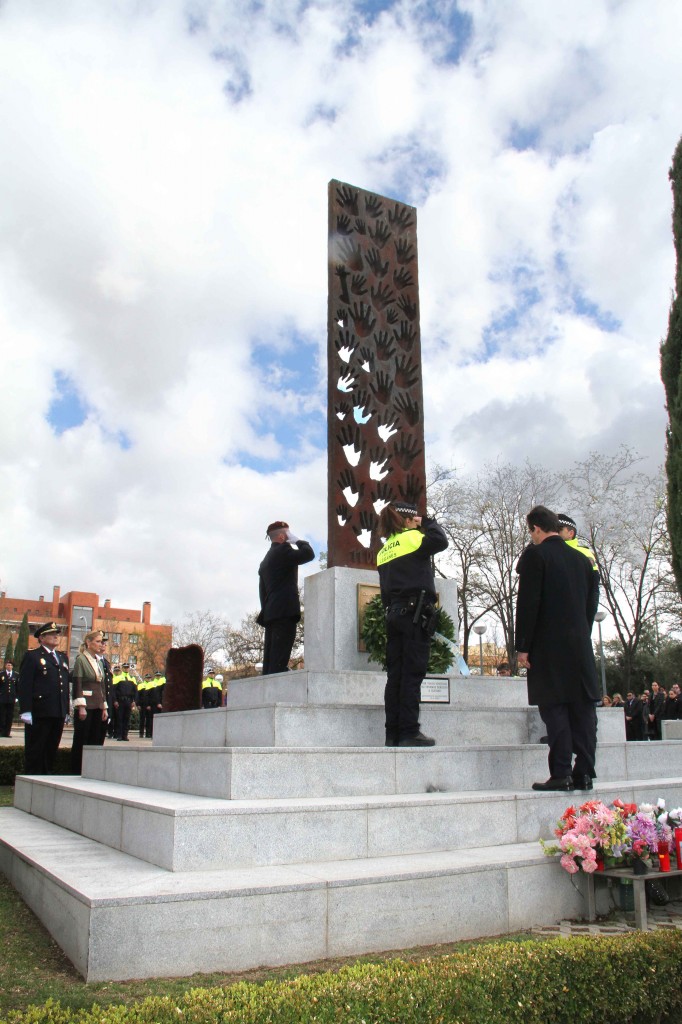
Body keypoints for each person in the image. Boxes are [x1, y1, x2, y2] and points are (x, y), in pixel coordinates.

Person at [515, 505, 600, 792]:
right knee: (583, 709)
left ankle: (561, 772)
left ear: (536, 529)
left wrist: (523, 647)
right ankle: (585, 772)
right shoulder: (582, 560)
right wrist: (580, 634)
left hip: (548, 647)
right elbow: (590, 605)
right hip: (580, 646)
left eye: (531, 532)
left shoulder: (535, 556)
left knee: (555, 709)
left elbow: (528, 605)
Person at [376, 499, 448, 747]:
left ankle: (392, 733)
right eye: (414, 519)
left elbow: (385, 592)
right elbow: (441, 540)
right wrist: (427, 522)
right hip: (414, 614)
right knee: (412, 674)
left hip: (394, 614)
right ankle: (409, 731)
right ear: (408, 519)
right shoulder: (413, 539)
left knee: (395, 675)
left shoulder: (384, 550)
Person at [258, 520, 314, 675]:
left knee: (270, 660)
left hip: (271, 613)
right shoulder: (283, 551)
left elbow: (262, 592)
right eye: (288, 533)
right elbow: (309, 554)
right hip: (285, 612)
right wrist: (297, 541)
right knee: (279, 660)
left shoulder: (265, 560)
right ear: (282, 536)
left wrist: (268, 610)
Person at [17, 621, 70, 774]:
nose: (55, 637)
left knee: (51, 750)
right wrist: (25, 710)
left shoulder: (62, 657)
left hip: (57, 711)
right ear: (41, 637)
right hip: (40, 711)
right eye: (51, 634)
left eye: (56, 634)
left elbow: (64, 685)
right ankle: (32, 780)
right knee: (36, 750)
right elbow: (25, 685)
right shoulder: (33, 656)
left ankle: (46, 779)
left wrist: (65, 709)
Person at [70, 629, 108, 774]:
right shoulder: (81, 659)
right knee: (82, 740)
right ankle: (76, 771)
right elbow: (78, 683)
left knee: (95, 740)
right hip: (86, 706)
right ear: (88, 643)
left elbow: (102, 686)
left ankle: (91, 771)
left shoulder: (98, 661)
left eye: (101, 642)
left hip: (98, 705)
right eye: (98, 641)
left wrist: (104, 707)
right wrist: (81, 706)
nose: (100, 644)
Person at [113, 662, 137, 741]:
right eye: (125, 667)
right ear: (122, 668)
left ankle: (125, 735)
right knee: (119, 718)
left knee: (127, 718)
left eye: (127, 667)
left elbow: (135, 691)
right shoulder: (118, 677)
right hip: (120, 701)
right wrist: (115, 700)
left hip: (129, 701)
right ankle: (119, 735)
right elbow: (114, 691)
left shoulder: (132, 678)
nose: (126, 668)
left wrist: (134, 701)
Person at [0, 658, 17, 737]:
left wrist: (17, 697)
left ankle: (7, 732)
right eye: (8, 665)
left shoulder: (16, 675)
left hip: (11, 699)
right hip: (2, 698)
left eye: (10, 665)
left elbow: (18, 687)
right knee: (2, 715)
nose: (9, 666)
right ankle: (1, 732)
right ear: (5, 666)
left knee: (9, 716)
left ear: (12, 666)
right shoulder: (1, 674)